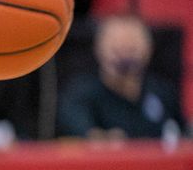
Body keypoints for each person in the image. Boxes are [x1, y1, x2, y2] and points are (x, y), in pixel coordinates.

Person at [57, 13, 185, 141]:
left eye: (131, 50)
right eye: (116, 50)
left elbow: (184, 134)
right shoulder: (80, 93)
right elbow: (81, 133)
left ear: (148, 49)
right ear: (99, 49)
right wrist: (103, 139)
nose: (124, 59)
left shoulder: (162, 92)